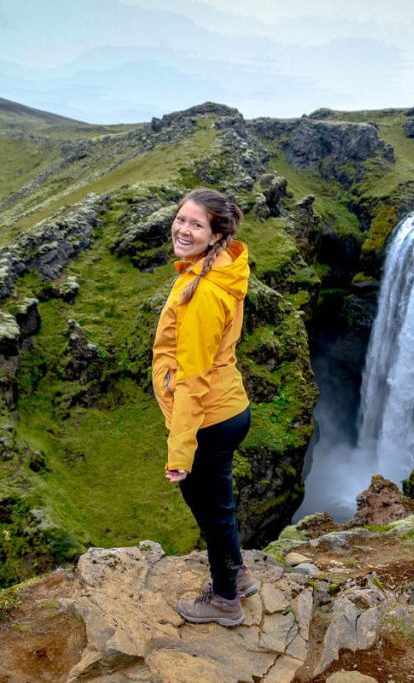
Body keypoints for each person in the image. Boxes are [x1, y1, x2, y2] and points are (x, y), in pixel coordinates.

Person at [151, 187, 258, 626]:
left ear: (216, 234)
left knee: (211, 512)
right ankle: (241, 574)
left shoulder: (202, 295)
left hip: (208, 418)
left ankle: (224, 600)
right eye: (181, 219)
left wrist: (180, 451)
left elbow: (192, 380)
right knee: (221, 503)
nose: (183, 228)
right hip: (229, 407)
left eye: (196, 224)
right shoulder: (221, 268)